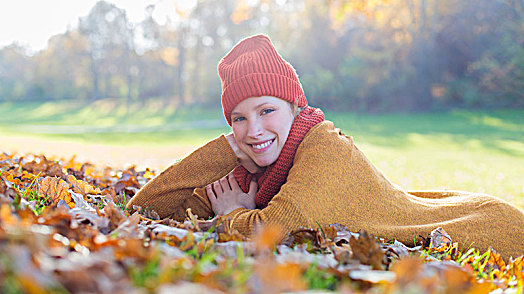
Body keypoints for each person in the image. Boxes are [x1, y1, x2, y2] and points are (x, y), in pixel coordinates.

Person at [127, 34, 524, 259]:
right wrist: (225, 150)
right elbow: (146, 208)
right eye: (239, 118)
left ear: (295, 107)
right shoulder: (249, 166)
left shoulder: (325, 149)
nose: (254, 128)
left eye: (267, 110)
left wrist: (231, 215)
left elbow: (272, 231)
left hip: (484, 229)